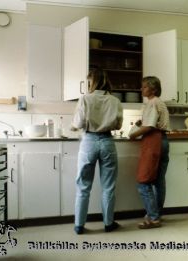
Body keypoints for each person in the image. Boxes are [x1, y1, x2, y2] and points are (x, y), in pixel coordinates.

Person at [72, 68, 123, 235]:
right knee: (108, 187)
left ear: (92, 82)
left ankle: (79, 225)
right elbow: (118, 125)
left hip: (89, 142)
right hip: (107, 141)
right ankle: (108, 224)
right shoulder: (115, 101)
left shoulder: (85, 99)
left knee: (83, 186)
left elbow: (79, 123)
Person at [129, 76, 170, 229]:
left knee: (143, 181)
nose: (142, 89)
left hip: (154, 141)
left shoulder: (152, 103)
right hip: (163, 141)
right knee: (159, 182)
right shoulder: (159, 103)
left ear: (153, 89)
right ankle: (157, 214)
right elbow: (150, 123)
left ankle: (153, 217)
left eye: (144, 87)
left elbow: (150, 127)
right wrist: (141, 123)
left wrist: (133, 134)